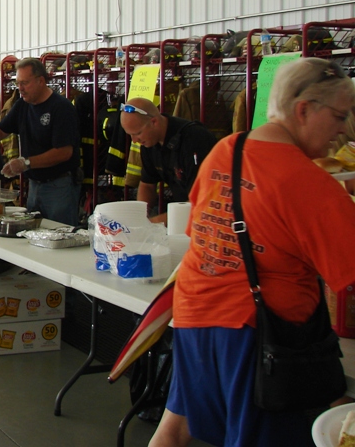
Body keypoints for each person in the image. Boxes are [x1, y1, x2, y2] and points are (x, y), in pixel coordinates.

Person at [149, 58, 355, 447]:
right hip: (258, 337)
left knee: (175, 429)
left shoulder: (227, 149)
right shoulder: (311, 184)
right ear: (304, 109)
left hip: (193, 315)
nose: (344, 129)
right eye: (340, 116)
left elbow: (202, 230)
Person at [0, 58, 81, 225]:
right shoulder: (22, 105)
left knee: (59, 231)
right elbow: (1, 130)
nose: (20, 88)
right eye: (17, 83)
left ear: (41, 81)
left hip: (59, 186)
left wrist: (26, 162)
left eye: (24, 83)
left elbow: (64, 152)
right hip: (34, 184)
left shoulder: (61, 107)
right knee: (33, 232)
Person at [119, 97, 217, 224]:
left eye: (137, 133)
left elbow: (203, 200)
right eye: (130, 135)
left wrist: (154, 223)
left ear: (154, 122)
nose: (134, 140)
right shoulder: (149, 142)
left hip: (210, 214)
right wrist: (140, 219)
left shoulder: (194, 140)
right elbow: (147, 185)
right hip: (185, 212)